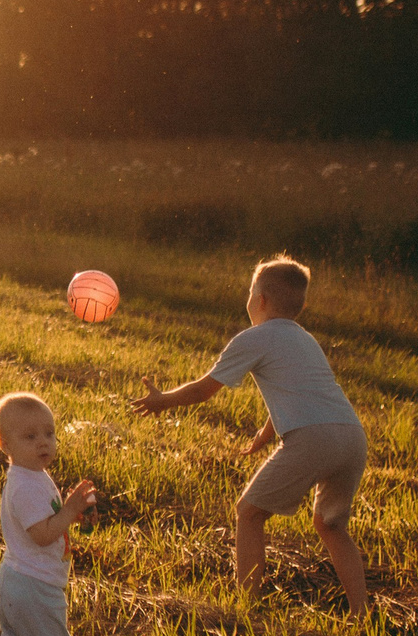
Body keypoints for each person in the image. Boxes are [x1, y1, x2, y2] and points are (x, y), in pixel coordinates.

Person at [130, 256, 371, 615]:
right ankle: (361, 612)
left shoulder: (254, 337)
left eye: (249, 292)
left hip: (313, 439)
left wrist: (163, 400)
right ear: (301, 306)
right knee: (331, 524)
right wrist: (265, 433)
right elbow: (304, 393)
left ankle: (246, 608)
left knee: (249, 512)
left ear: (259, 299)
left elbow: (203, 390)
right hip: (351, 437)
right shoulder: (305, 340)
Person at [0, 391, 101, 636]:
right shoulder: (25, 486)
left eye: (49, 433)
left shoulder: (32, 476)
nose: (43, 443)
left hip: (16, 580)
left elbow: (49, 520)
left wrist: (75, 514)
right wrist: (69, 509)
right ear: (5, 445)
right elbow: (43, 535)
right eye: (30, 436)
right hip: (35, 585)